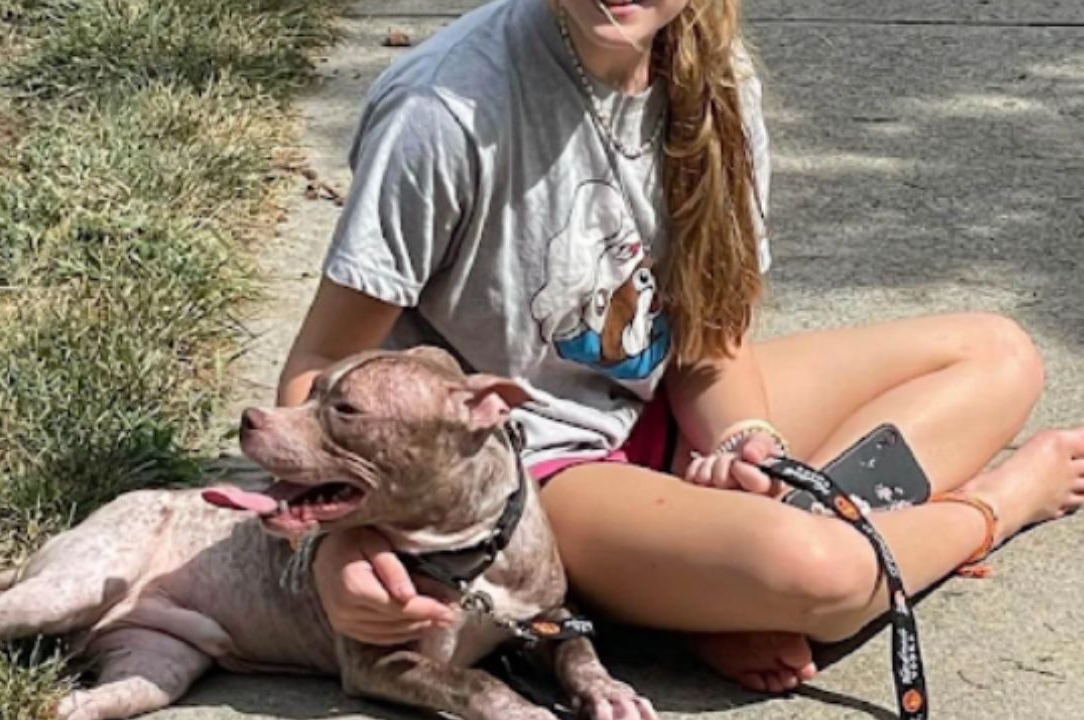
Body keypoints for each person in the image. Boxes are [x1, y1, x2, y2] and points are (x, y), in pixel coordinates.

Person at [274, 0, 1084, 695]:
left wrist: (744, 440)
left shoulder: (714, 73)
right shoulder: (445, 112)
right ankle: (989, 510)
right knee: (825, 575)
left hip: (654, 412)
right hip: (533, 475)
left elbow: (711, 342)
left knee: (999, 354)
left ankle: (710, 585)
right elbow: (315, 375)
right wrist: (340, 544)